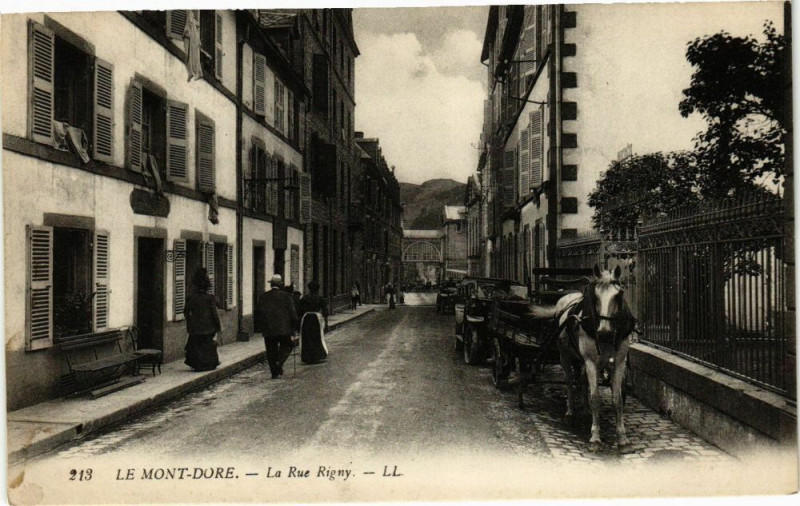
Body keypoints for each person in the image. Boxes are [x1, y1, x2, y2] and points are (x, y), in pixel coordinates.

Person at [254, 274, 298, 379]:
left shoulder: (263, 296)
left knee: (270, 350)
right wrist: (294, 327)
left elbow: (258, 313)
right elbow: (293, 313)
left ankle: (274, 373)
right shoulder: (287, 296)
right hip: (284, 328)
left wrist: (261, 327)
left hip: (268, 329)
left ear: (271, 285)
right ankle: (279, 362)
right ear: (281, 284)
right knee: (288, 345)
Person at [183, 268, 221, 371]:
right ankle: (208, 364)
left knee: (196, 346)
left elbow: (186, 311)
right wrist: (218, 326)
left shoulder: (191, 298)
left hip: (195, 328)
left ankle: (198, 365)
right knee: (207, 346)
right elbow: (214, 314)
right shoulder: (210, 298)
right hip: (208, 327)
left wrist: (190, 323)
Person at [298, 281, 329, 364]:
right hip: (316, 318)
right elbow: (325, 311)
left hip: (306, 318)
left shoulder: (305, 298)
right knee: (317, 336)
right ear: (317, 289)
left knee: (307, 337)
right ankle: (317, 356)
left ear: (309, 289)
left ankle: (307, 357)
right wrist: (326, 322)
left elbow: (299, 310)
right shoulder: (320, 298)